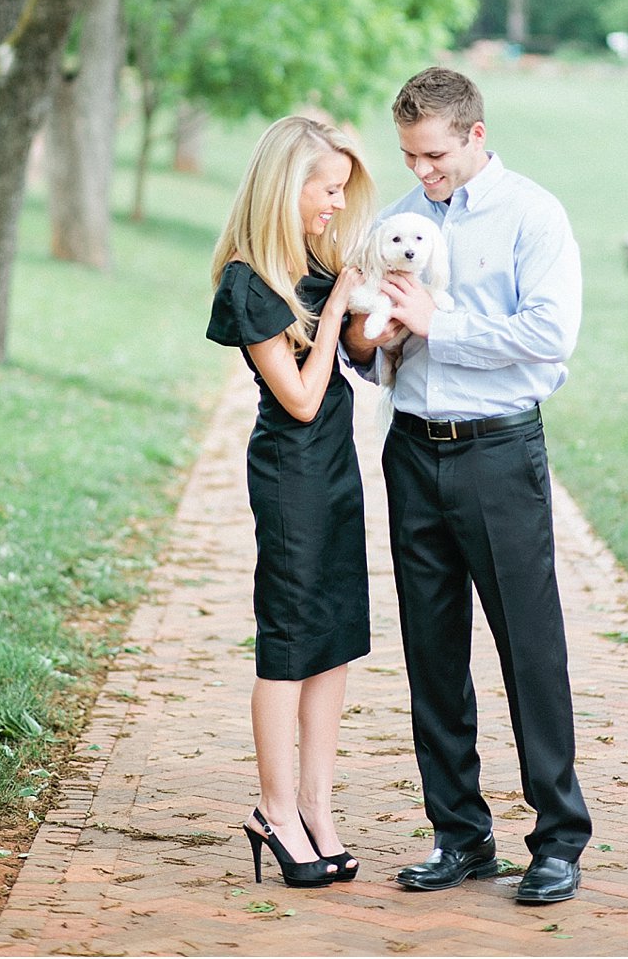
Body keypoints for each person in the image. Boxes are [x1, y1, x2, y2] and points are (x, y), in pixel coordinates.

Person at [343, 67, 592, 905]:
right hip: (411, 451)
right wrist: (367, 337)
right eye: (410, 155)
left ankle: (557, 838)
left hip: (497, 452)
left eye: (435, 154)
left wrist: (436, 323)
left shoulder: (534, 214)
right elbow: (371, 356)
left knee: (530, 646)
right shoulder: (400, 224)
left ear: (475, 135)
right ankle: (460, 833)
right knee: (433, 649)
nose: (422, 171)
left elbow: (549, 336)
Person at [206, 116, 375, 888]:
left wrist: (372, 305)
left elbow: (354, 362)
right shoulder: (251, 281)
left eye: (344, 189)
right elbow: (303, 398)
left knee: (334, 634)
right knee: (290, 639)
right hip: (290, 475)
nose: (338, 203)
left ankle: (317, 806)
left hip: (336, 469)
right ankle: (274, 810)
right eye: (328, 189)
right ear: (288, 187)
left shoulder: (312, 261)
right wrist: (341, 302)